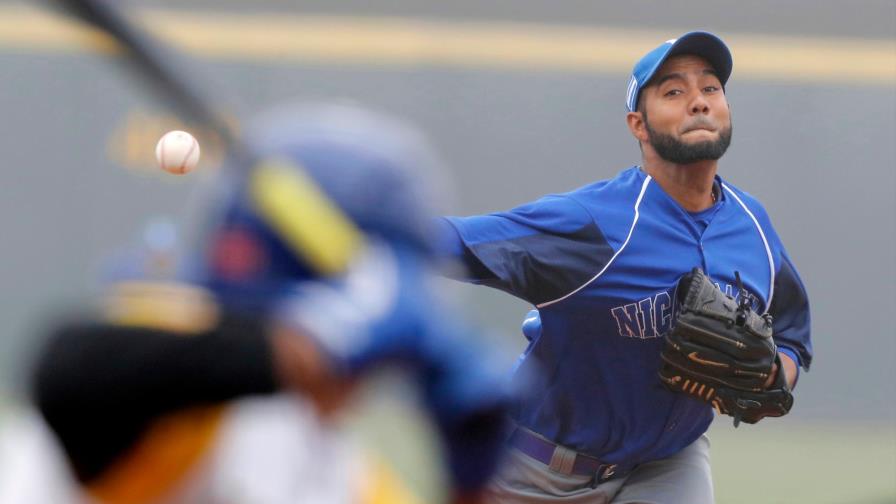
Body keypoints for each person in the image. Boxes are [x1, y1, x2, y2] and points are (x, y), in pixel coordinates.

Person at [23, 103, 511, 504]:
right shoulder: (176, 401)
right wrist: (324, 333)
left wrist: (475, 460)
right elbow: (70, 371)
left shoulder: (343, 475)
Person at [437, 31, 812, 503]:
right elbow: (456, 242)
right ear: (639, 124)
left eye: (710, 88)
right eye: (674, 92)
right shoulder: (598, 223)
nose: (698, 101)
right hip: (537, 469)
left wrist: (773, 375)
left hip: (667, 463)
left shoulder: (751, 224)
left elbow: (794, 332)